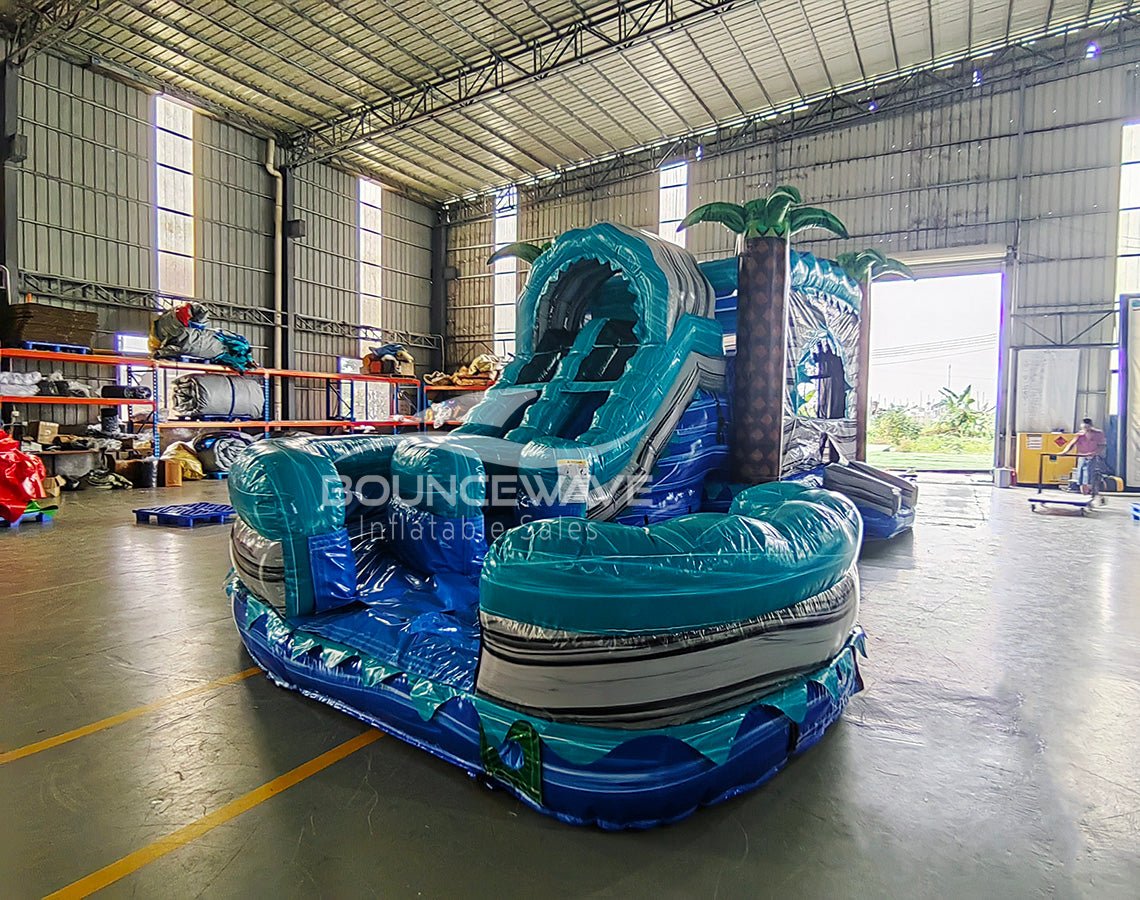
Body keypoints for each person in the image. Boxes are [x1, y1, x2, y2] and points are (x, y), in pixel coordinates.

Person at [1062, 418, 1108, 501]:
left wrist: (1094, 453)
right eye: (1084, 428)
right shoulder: (1079, 435)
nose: (1086, 429)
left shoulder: (1098, 434)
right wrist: (1064, 452)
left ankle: (1091, 494)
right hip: (1082, 456)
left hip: (1093, 457)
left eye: (1087, 427)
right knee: (1080, 477)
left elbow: (1102, 445)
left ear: (1091, 426)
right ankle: (1084, 496)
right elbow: (1071, 444)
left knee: (1090, 475)